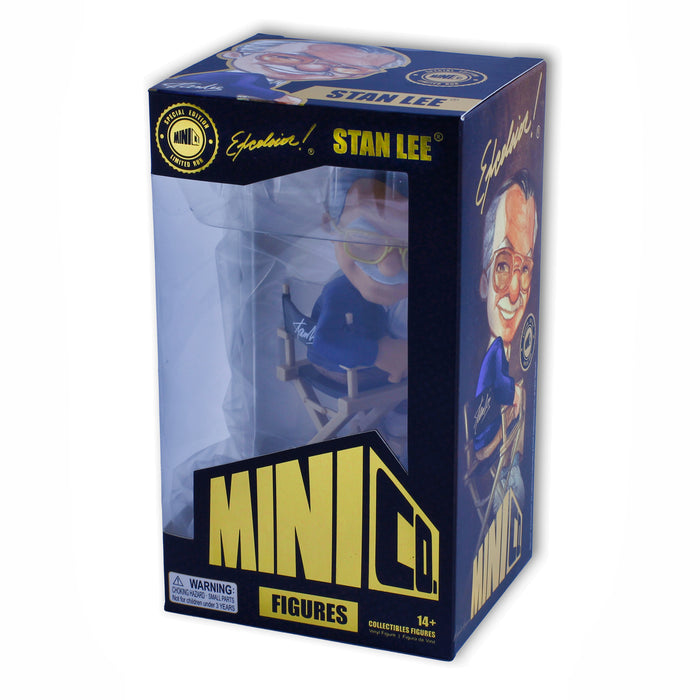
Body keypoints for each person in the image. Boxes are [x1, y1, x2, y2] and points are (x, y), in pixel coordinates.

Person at [472, 170, 537, 472]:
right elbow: (497, 386)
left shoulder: (502, 352)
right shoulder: (495, 353)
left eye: (523, 269)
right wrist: (517, 393)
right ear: (483, 283)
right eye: (502, 265)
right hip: (484, 443)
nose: (514, 292)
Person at [158, 39, 409, 104]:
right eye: (289, 57)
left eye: (341, 68)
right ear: (235, 55)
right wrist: (282, 98)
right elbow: (243, 85)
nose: (311, 67)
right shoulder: (251, 77)